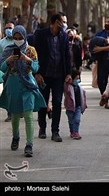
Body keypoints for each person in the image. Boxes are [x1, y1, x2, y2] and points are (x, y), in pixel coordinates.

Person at [0, 25, 46, 157]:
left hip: (28, 86)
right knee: (14, 115)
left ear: (25, 36)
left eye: (20, 38)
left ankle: (29, 144)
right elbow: (2, 68)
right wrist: (8, 61)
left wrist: (27, 59)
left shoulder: (30, 50)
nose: (18, 40)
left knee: (28, 115)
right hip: (13, 85)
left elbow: (36, 68)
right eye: (15, 38)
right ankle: (16, 137)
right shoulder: (8, 50)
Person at [33, 13, 71, 142]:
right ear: (56, 22)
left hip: (58, 76)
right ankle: (42, 128)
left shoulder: (64, 36)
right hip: (44, 75)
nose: (65, 24)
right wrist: (36, 73)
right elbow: (35, 54)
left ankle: (55, 131)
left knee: (57, 102)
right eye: (63, 22)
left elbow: (67, 55)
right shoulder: (41, 34)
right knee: (43, 103)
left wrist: (69, 73)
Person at [63, 68, 87, 140]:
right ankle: (72, 131)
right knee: (71, 121)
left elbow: (83, 97)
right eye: (76, 78)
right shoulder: (68, 87)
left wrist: (84, 105)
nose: (78, 80)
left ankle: (76, 132)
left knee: (77, 120)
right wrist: (66, 82)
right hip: (70, 107)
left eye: (78, 78)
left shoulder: (79, 87)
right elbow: (64, 88)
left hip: (78, 107)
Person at [0, 20, 15, 122]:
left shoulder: (19, 40)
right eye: (7, 28)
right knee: (8, 92)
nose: (9, 30)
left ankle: (18, 110)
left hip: (18, 71)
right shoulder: (1, 42)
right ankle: (10, 113)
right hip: (6, 70)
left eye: (11, 28)